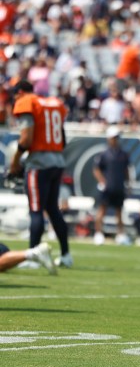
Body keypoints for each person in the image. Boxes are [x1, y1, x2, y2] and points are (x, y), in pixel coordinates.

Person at [9, 80, 72, 268]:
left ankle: (32, 256)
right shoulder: (52, 104)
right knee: (52, 208)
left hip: (39, 163)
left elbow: (26, 139)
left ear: (20, 92)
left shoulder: (27, 102)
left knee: (36, 210)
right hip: (57, 161)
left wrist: (15, 162)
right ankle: (66, 255)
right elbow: (63, 140)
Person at [92, 125, 131, 245]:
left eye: (117, 137)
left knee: (119, 212)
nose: (116, 140)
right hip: (107, 188)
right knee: (102, 210)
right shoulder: (104, 154)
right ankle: (98, 234)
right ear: (109, 138)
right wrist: (102, 181)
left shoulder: (123, 154)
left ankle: (121, 235)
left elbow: (126, 170)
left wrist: (128, 183)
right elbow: (96, 169)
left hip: (119, 187)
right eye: (114, 137)